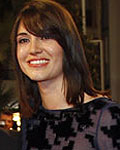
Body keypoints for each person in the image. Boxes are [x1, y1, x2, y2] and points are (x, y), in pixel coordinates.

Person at [10, 0, 120, 149]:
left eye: (45, 36)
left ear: (67, 45)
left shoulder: (106, 116)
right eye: (23, 40)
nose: (33, 49)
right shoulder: (31, 120)